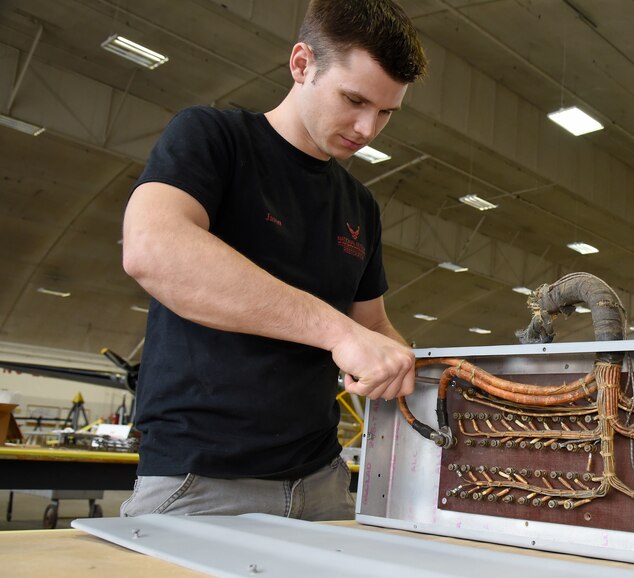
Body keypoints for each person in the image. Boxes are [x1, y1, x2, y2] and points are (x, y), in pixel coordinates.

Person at [119, 0, 427, 520]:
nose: (368, 128)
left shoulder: (360, 206)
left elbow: (370, 323)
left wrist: (410, 366)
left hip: (322, 483)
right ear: (302, 64)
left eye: (385, 112)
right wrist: (339, 335)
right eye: (353, 100)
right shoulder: (214, 139)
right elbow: (153, 248)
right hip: (202, 482)